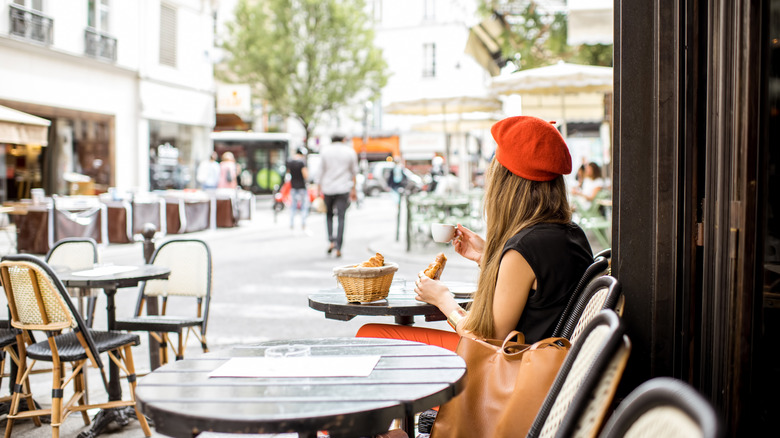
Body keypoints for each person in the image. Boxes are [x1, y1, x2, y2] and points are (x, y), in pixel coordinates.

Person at [357, 115, 594, 349]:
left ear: (506, 185)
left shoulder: (524, 250)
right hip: (547, 363)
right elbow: (541, 298)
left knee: (371, 334)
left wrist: (442, 299)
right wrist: (488, 258)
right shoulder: (572, 234)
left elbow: (486, 341)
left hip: (513, 370)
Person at [316, 133, 358, 258]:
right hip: (343, 188)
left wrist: (319, 188)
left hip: (328, 188)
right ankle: (339, 247)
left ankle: (331, 240)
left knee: (328, 215)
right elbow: (354, 172)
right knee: (341, 217)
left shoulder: (325, 151)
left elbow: (320, 171)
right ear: (343, 139)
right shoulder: (349, 151)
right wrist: (353, 189)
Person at [286, 147, 310, 230]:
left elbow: (288, 173)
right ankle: (303, 224)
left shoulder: (290, 161)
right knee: (304, 205)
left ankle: (291, 223)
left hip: (293, 186)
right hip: (302, 187)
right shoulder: (302, 162)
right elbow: (305, 175)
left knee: (293, 206)